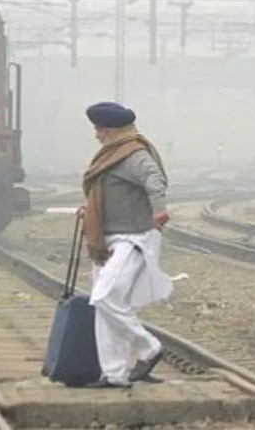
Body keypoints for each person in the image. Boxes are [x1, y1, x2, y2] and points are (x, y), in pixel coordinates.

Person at [79, 101, 174, 389]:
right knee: (107, 305)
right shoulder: (112, 153)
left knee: (105, 297)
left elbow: (154, 180)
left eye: (98, 129)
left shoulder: (133, 154)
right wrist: (90, 211)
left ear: (110, 130)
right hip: (107, 238)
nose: (96, 134)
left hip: (132, 239)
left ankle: (149, 348)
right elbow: (109, 192)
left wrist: (159, 209)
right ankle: (114, 375)